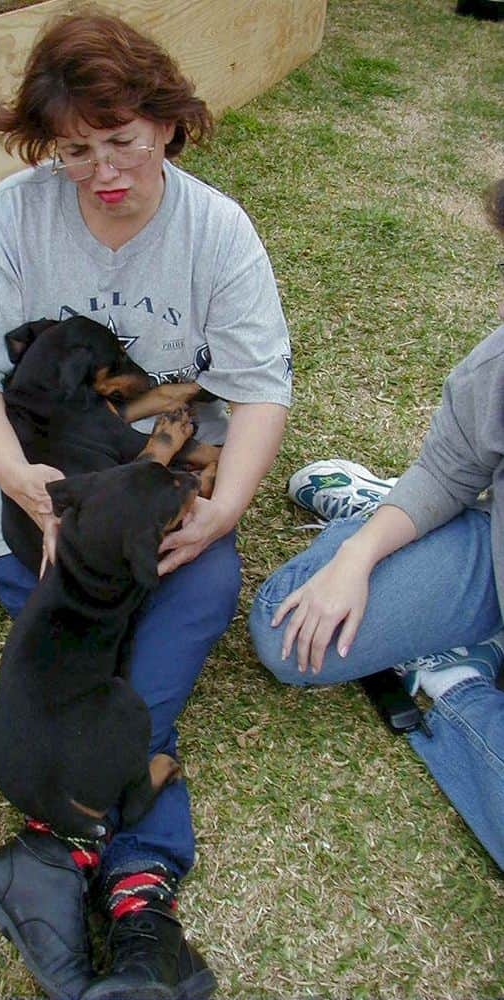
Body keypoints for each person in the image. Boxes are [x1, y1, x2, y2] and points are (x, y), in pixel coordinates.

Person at [0, 11, 291, 998]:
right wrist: (24, 487)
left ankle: (57, 846)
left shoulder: (217, 231)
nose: (104, 172)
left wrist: (225, 508)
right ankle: (140, 906)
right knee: (117, 663)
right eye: (77, 150)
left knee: (196, 579)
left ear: (169, 124)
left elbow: (260, 389)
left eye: (124, 142)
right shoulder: (12, 215)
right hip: (35, 493)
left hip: (152, 481)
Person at [249, 178, 504, 871]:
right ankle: (382, 511)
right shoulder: (501, 362)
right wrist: (357, 559)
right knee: (288, 632)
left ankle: (458, 686)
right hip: (493, 557)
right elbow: (453, 468)